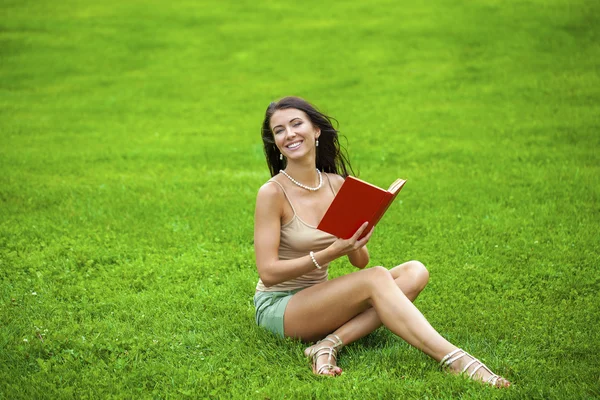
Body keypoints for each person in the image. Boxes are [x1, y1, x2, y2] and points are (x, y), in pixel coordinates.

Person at [253, 96, 510, 387]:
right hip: (281, 307)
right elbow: (268, 272)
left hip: (320, 297)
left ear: (316, 131)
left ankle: (327, 345)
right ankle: (456, 360)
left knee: (415, 271)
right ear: (275, 142)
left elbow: (360, 261)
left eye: (296, 124)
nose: (289, 134)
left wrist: (356, 239)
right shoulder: (272, 193)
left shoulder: (336, 185)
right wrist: (331, 252)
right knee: (375, 279)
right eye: (279, 130)